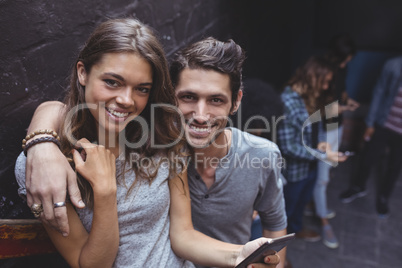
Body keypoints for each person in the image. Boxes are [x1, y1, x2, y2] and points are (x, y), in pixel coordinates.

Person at [15, 18, 280, 267]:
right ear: (83, 73)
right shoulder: (46, 165)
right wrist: (103, 191)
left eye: (142, 88)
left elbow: (183, 234)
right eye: (112, 82)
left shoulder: (162, 138)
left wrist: (239, 254)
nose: (127, 100)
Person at [277, 56, 347, 244]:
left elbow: (313, 130)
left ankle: (296, 229)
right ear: (311, 77)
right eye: (323, 82)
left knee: (301, 204)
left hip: (310, 167)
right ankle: (279, 250)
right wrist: (322, 154)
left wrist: (321, 144)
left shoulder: (309, 97)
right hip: (294, 172)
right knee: (285, 212)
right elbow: (288, 146)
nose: (326, 87)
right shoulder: (287, 102)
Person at [307, 34, 359, 249]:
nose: (348, 62)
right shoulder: (323, 71)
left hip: (336, 125)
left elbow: (342, 91)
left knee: (327, 170)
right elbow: (317, 109)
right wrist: (342, 108)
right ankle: (322, 219)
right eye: (347, 58)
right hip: (324, 127)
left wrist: (347, 101)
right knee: (323, 177)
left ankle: (317, 205)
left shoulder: (341, 68)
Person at [339, 55, 402, 218]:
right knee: (368, 157)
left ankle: (383, 197)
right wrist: (370, 123)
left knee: (395, 166)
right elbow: (379, 93)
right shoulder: (393, 65)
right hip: (384, 123)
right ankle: (358, 187)